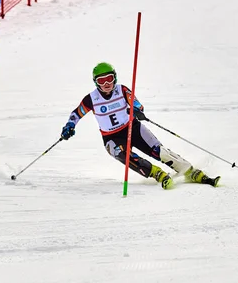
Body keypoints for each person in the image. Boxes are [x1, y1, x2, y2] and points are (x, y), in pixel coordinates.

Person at [60, 62, 219, 189]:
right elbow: (76, 113)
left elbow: (137, 104)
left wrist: (136, 110)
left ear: (115, 77)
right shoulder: (91, 99)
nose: (107, 83)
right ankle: (158, 174)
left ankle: (191, 172)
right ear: (96, 83)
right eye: (102, 80)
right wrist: (69, 126)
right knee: (123, 154)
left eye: (109, 78)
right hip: (111, 137)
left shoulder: (122, 90)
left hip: (133, 128)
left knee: (160, 152)